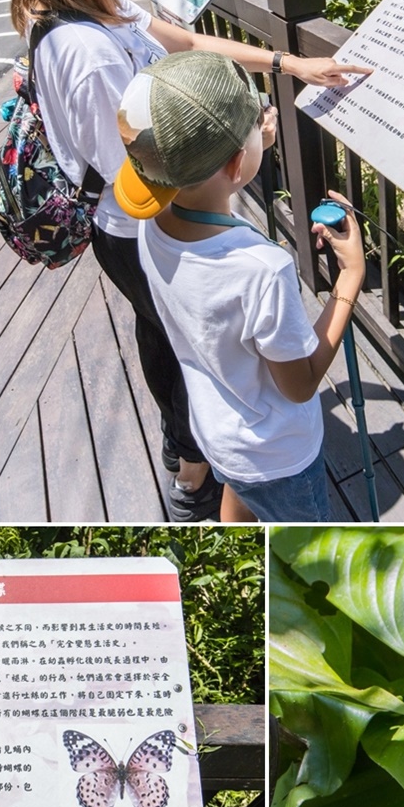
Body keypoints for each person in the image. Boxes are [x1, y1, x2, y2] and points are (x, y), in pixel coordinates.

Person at [0, 0, 370, 521]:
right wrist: (242, 147)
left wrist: (288, 63)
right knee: (179, 342)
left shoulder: (97, 8)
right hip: (138, 223)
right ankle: (192, 472)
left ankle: (199, 464)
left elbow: (186, 41)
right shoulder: (87, 51)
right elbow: (148, 169)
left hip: (154, 218)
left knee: (173, 333)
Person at [112, 51, 367, 522]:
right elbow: (300, 384)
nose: (266, 125)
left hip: (217, 430)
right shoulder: (261, 270)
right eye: (258, 124)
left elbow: (204, 188)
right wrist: (350, 277)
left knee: (240, 492)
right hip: (277, 456)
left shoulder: (153, 227)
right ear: (234, 164)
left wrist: (247, 148)